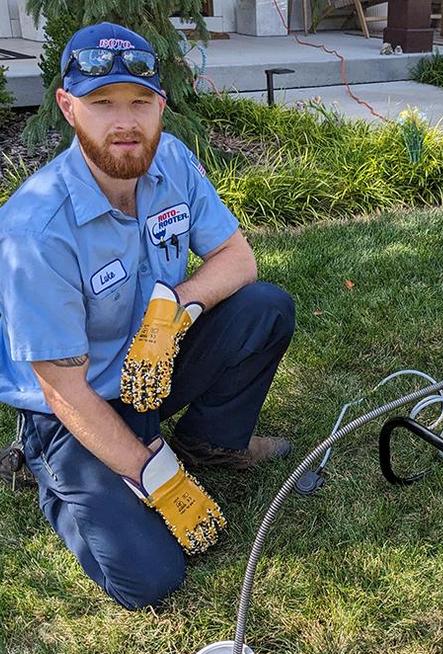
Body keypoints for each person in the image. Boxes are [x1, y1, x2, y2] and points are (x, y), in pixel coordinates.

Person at [0, 22, 295, 609]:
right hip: (73, 404)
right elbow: (61, 387)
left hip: (150, 367)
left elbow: (237, 258)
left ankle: (210, 444)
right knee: (150, 578)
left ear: (161, 104)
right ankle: (45, 470)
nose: (125, 123)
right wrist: (153, 478)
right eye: (102, 103)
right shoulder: (36, 229)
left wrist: (177, 309)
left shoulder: (173, 164)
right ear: (67, 107)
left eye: (140, 102)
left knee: (265, 308)